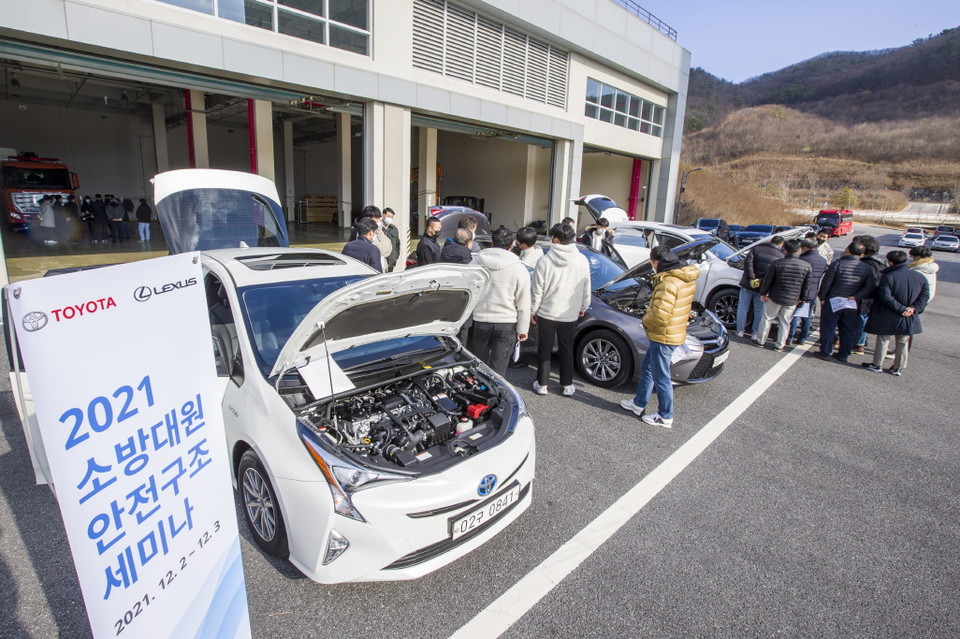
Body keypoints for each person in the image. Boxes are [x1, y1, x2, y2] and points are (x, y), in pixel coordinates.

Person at [619, 246, 700, 428]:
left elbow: (660, 314)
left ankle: (665, 415)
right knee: (648, 368)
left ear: (656, 262)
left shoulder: (668, 283)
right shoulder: (684, 278)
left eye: (651, 261)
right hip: (671, 331)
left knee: (661, 376)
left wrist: (645, 322)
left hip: (664, 335)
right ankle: (639, 403)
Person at [530, 223, 591, 396]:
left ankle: (542, 384)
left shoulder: (545, 260)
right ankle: (567, 385)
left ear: (556, 239)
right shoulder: (581, 260)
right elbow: (586, 286)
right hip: (569, 312)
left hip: (547, 311)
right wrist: (583, 306)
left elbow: (537, 290)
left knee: (545, 347)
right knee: (566, 348)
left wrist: (532, 311)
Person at [469, 227, 531, 375]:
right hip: (506, 323)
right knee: (498, 370)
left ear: (492, 242)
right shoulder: (519, 268)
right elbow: (523, 303)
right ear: (512, 245)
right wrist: (523, 329)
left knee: (479, 367)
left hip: (480, 320)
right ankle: (496, 396)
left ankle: (478, 395)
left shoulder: (475, 263)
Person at [861, 250, 929, 376]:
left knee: (883, 339)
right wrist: (913, 308)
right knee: (903, 341)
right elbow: (925, 296)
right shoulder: (919, 276)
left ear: (890, 262)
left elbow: (886, 297)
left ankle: (877, 364)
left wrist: (901, 308)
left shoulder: (888, 276)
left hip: (889, 313)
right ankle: (898, 367)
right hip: (909, 314)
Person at [816, 241, 873, 362]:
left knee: (828, 327)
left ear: (848, 250)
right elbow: (869, 287)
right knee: (848, 329)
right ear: (862, 254)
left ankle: (825, 351)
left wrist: (822, 297)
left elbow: (827, 282)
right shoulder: (867, 268)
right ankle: (843, 354)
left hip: (833, 300)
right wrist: (857, 296)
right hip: (852, 303)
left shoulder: (837, 264)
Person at [753, 239, 812, 351]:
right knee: (785, 322)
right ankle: (780, 345)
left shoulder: (776, 263)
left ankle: (760, 341)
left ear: (784, 250)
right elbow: (807, 285)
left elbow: (767, 281)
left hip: (775, 296)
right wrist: (803, 298)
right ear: (799, 250)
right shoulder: (806, 266)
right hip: (792, 299)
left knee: (767, 319)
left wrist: (763, 293)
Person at [735, 235, 784, 339]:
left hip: (748, 283)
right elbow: (773, 273)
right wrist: (761, 280)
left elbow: (748, 263)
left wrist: (752, 278)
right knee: (759, 311)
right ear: (780, 245)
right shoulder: (780, 256)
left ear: (771, 240)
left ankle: (740, 330)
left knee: (743, 308)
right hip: (762, 287)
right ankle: (755, 333)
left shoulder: (756, 249)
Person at [788, 239, 828, 346]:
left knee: (795, 315)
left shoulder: (803, 259)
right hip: (813, 292)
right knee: (807, 316)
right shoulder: (823, 260)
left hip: (800, 291)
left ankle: (790, 337)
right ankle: (802, 338)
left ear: (805, 248)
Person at [851, 236, 883, 355]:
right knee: (863, 320)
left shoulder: (867, 264)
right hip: (872, 298)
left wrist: (858, 294)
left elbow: (871, 283)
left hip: (865, 298)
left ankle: (859, 345)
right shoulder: (880, 261)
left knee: (861, 321)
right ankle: (862, 341)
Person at [381, 207, 401, 271]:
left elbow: (397, 244)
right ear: (383, 215)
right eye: (388, 216)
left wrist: (395, 256)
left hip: (391, 261)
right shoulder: (377, 228)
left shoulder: (394, 229)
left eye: (392, 217)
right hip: (380, 260)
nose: (390, 219)